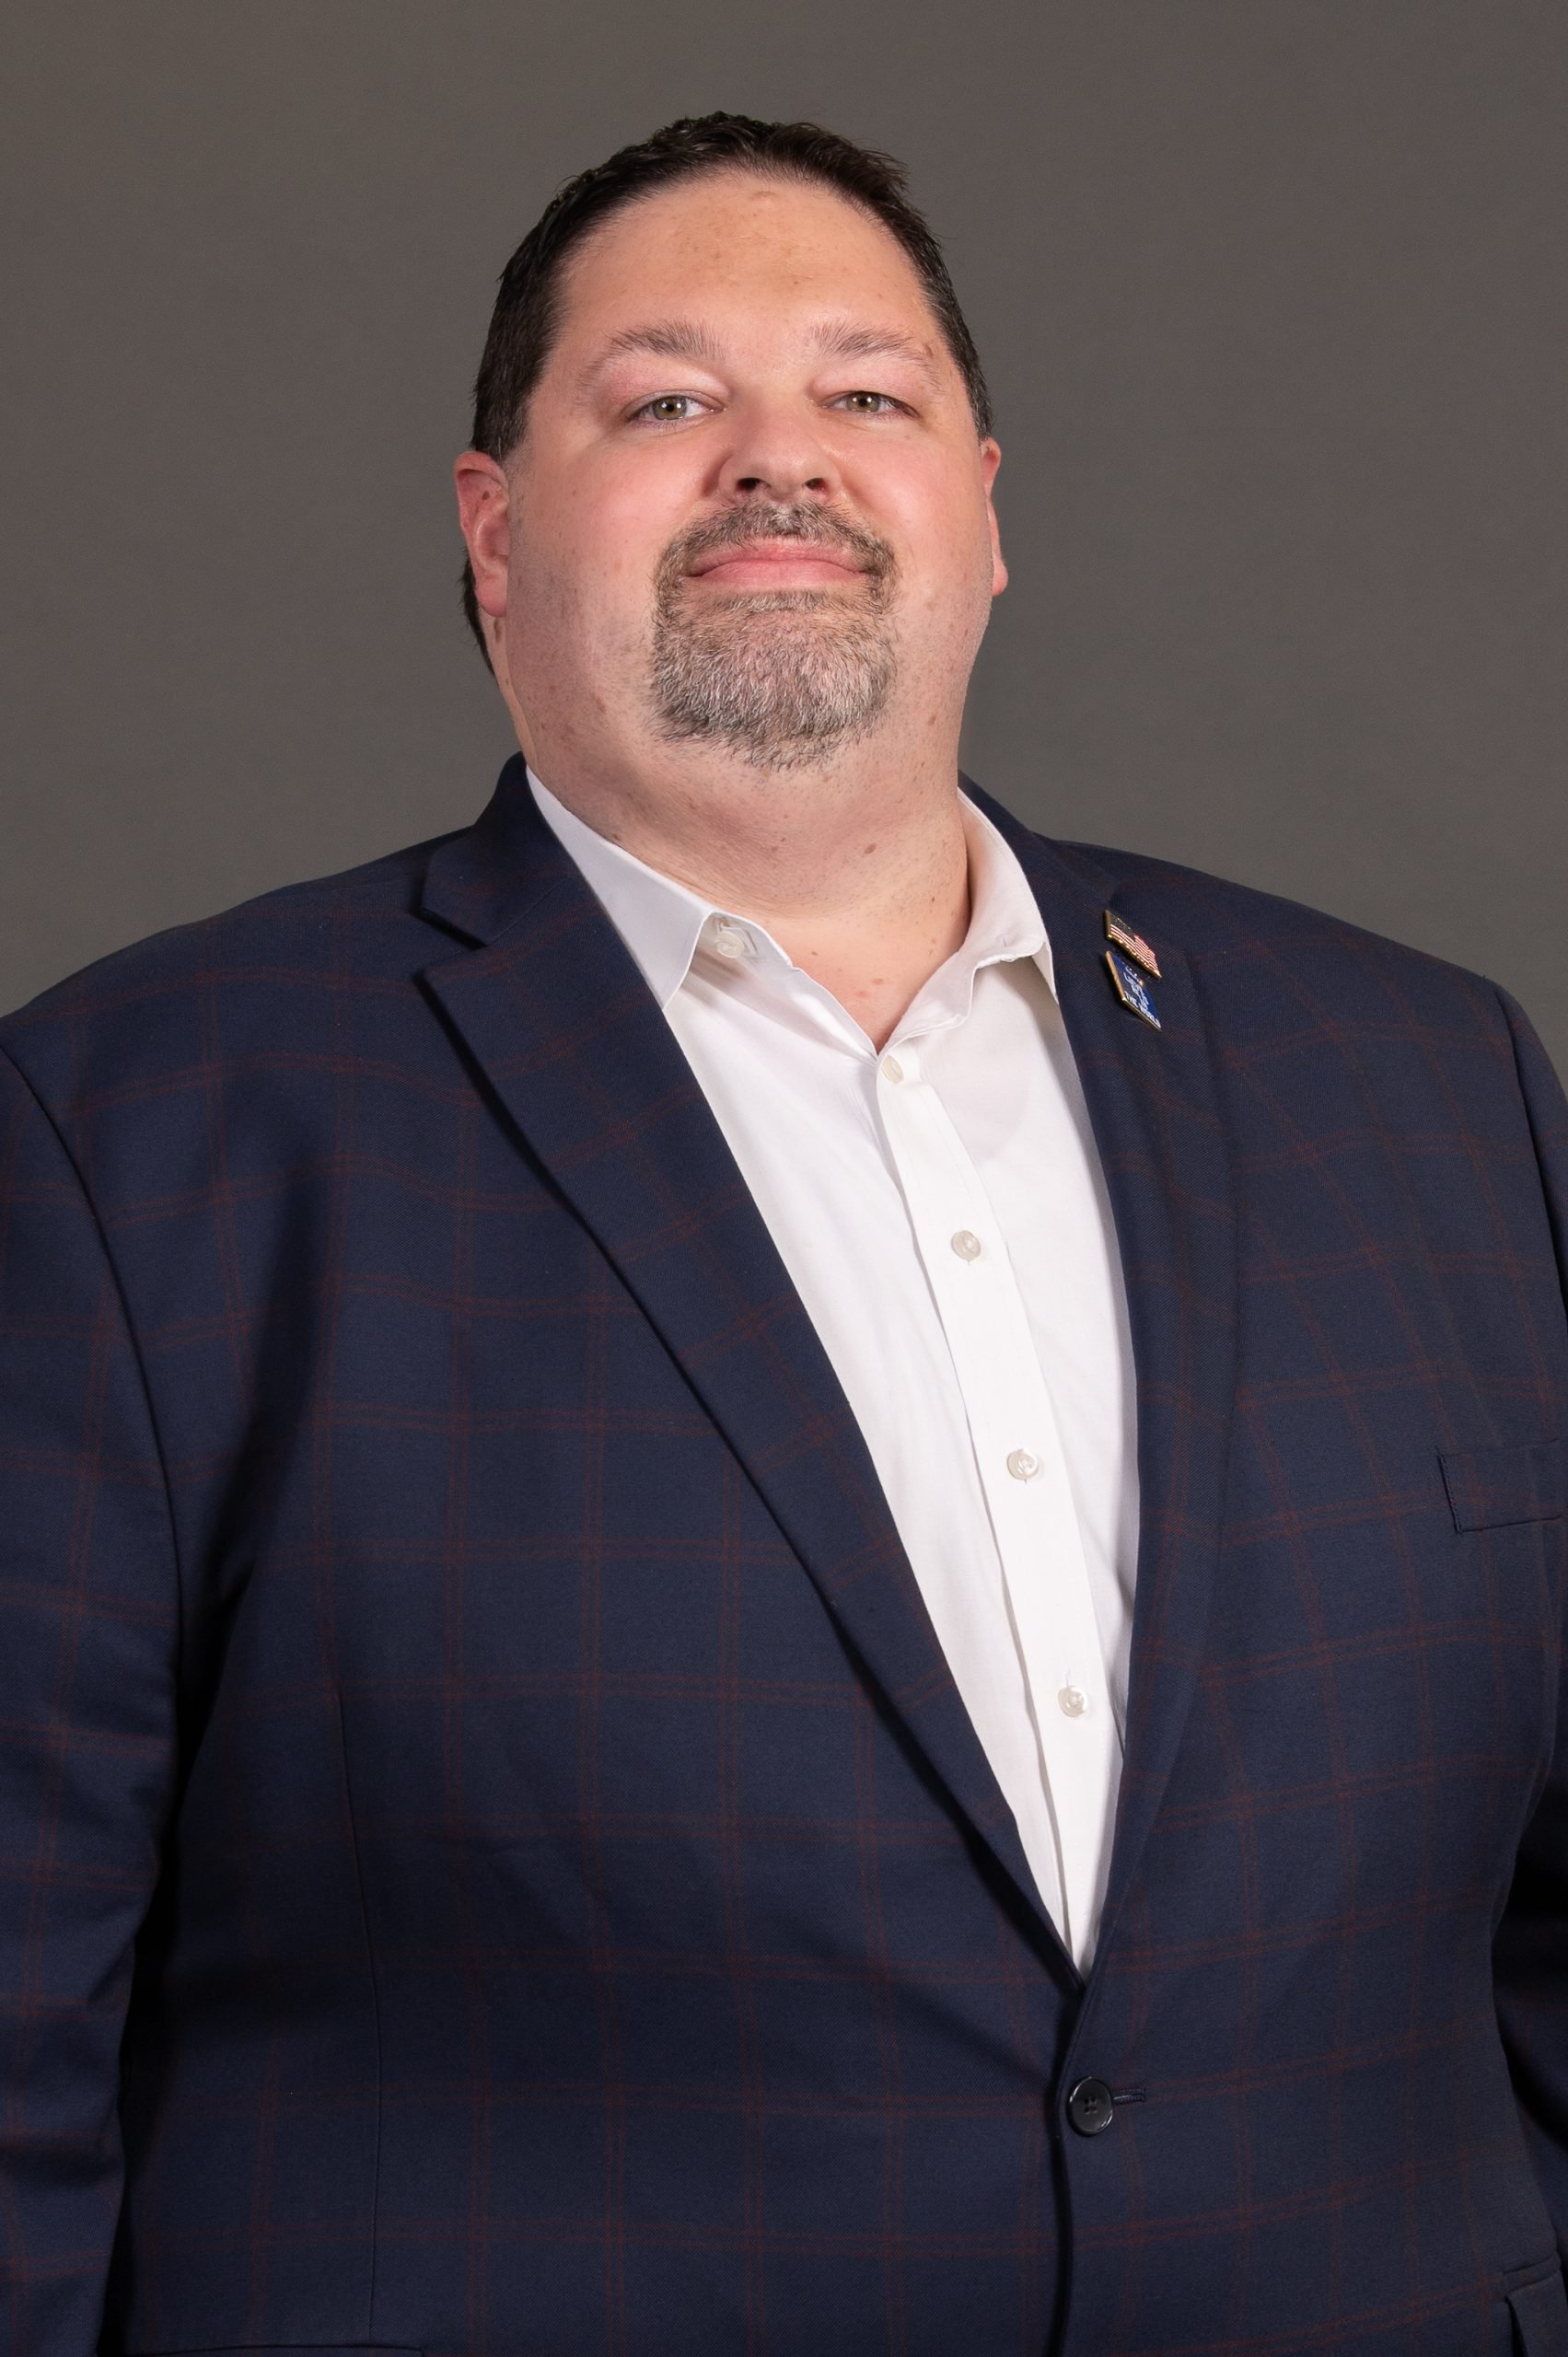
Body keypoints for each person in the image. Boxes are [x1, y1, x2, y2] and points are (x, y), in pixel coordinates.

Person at [1, 110, 1564, 2357]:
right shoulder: (131, 1135)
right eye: (662, 400)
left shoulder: (1426, 1083)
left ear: (984, 515)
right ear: (492, 533)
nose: (781, 461)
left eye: (867, 393)